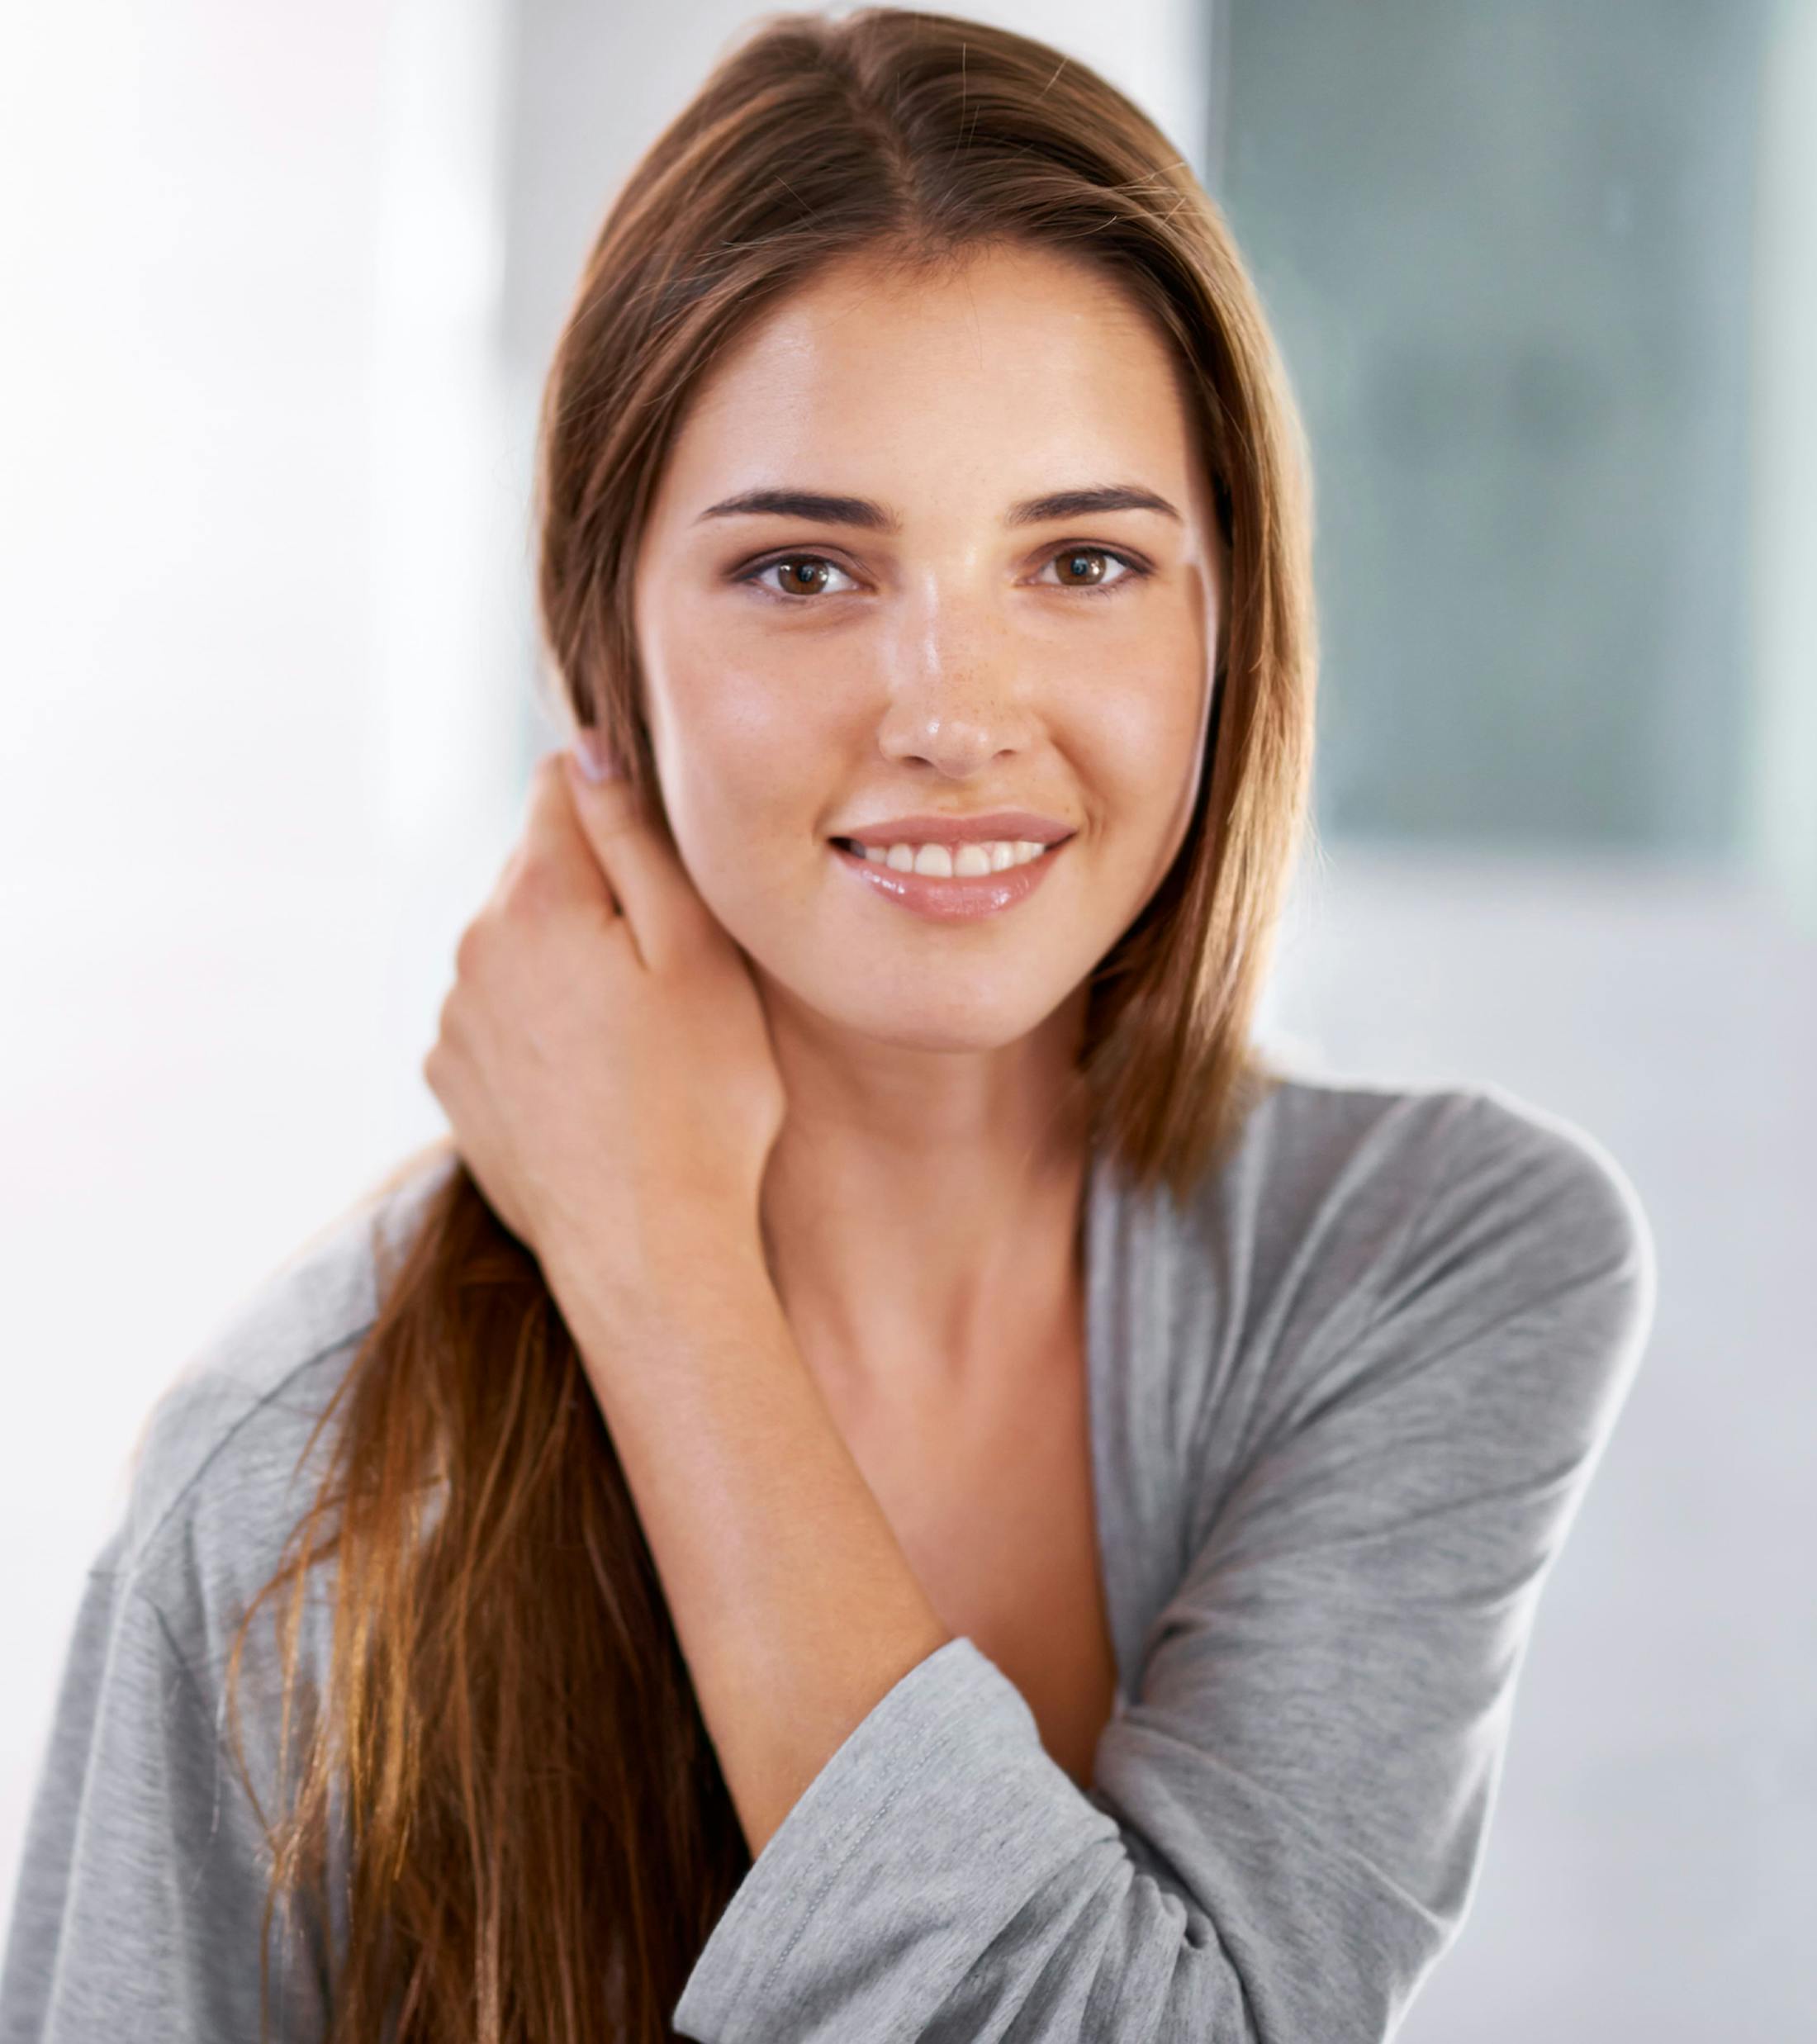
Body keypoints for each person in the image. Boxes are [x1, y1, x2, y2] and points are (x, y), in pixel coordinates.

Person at [0, 8, 1657, 2041]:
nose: (952, 711)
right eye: (802, 567)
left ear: (1230, 613)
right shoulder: (296, 1489)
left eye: (1082, 558)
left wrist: (661, 1264)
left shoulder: (1429, 1263)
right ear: (595, 639)